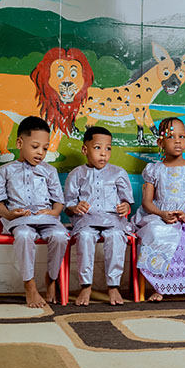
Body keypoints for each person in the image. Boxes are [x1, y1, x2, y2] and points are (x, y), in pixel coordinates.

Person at [132, 117, 185, 302]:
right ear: (160, 143)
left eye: (182, 136)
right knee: (157, 233)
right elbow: (147, 202)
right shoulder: (154, 170)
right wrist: (162, 214)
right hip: (160, 214)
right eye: (171, 137)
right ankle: (160, 286)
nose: (178, 141)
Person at [0, 116, 69, 308]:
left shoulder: (49, 171)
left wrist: (53, 212)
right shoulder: (5, 171)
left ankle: (51, 278)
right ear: (20, 143)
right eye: (35, 146)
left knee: (60, 236)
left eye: (45, 148)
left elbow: (59, 202)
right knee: (24, 236)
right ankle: (29, 284)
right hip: (20, 221)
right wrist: (9, 215)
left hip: (46, 219)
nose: (40, 152)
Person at [64, 126, 134, 306]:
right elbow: (68, 206)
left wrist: (125, 206)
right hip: (86, 221)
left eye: (108, 148)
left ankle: (113, 286)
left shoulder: (118, 173)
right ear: (84, 149)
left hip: (113, 220)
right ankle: (86, 286)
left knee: (116, 236)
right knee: (85, 237)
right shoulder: (77, 174)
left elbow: (127, 202)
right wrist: (75, 207)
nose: (103, 153)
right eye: (97, 148)